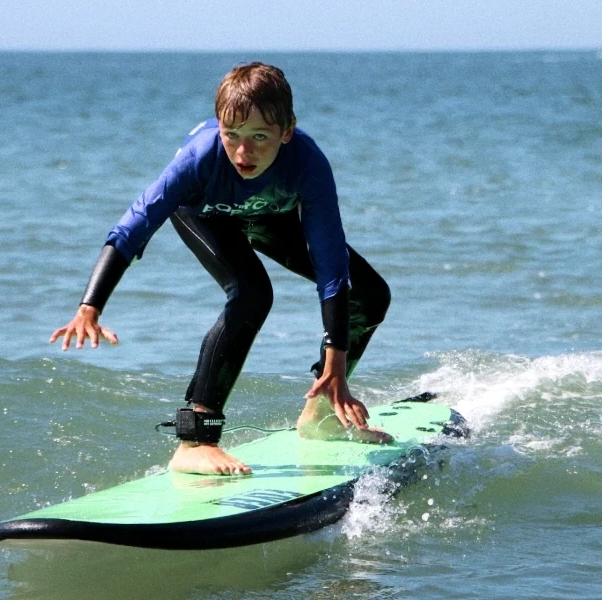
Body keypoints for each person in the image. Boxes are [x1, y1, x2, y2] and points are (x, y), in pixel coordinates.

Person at [51, 62, 392, 476]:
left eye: (259, 137)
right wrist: (90, 306)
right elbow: (132, 227)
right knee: (252, 293)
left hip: (271, 214)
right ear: (219, 126)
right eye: (232, 135)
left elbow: (331, 263)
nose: (243, 152)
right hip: (204, 214)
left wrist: (336, 362)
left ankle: (321, 413)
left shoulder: (308, 163)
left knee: (370, 294)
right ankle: (195, 441)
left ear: (287, 131)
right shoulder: (199, 158)